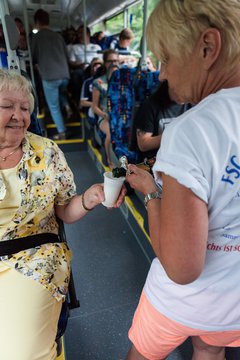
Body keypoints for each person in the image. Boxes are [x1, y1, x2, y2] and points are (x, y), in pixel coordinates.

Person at [124, 1, 240, 359]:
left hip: (184, 304)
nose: (161, 75)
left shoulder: (191, 130)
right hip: (234, 306)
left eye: (167, 58)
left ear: (207, 47)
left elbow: (182, 268)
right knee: (210, 352)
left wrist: (151, 194)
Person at [0, 69, 125, 360]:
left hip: (33, 258)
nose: (18, 115)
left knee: (20, 354)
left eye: (25, 108)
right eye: (7, 106)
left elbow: (65, 210)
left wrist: (89, 198)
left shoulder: (47, 152)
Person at [31, 8, 72, 140]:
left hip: (50, 76)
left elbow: (33, 57)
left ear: (37, 22)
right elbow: (67, 56)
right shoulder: (58, 36)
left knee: (53, 106)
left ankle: (62, 132)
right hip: (64, 75)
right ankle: (67, 106)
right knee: (60, 92)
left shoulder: (37, 37)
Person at [135, 81, 192, 160]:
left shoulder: (192, 105)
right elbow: (143, 144)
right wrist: (175, 135)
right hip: (156, 160)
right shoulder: (150, 106)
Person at [92, 49, 119, 168]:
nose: (114, 63)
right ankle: (110, 160)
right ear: (105, 63)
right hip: (105, 117)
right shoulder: (99, 82)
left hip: (121, 116)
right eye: (110, 61)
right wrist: (104, 115)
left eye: (116, 60)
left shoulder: (124, 81)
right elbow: (94, 107)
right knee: (111, 132)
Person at [68, 25, 102, 106]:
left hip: (95, 67)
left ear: (88, 34)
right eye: (78, 34)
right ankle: (79, 99)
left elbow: (101, 61)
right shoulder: (74, 48)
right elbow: (71, 62)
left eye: (81, 33)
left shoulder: (97, 47)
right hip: (82, 69)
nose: (79, 36)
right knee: (77, 74)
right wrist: (80, 65)